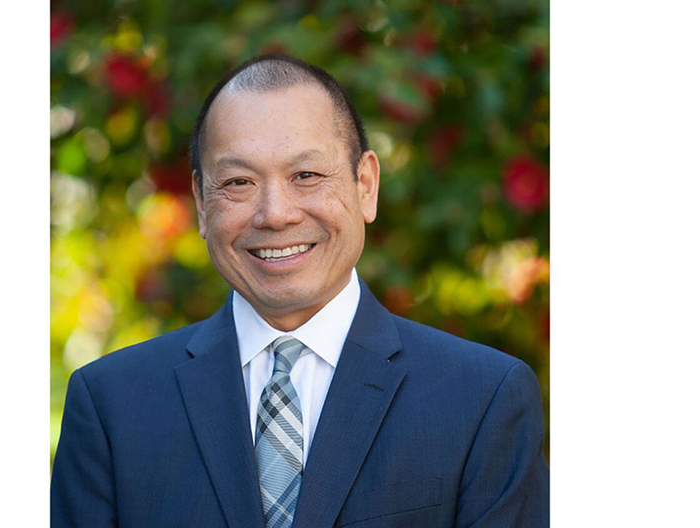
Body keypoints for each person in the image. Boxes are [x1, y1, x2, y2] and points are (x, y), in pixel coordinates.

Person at [51, 54, 549, 527]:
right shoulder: (111, 407)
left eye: (306, 176)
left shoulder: (482, 400)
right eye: (239, 183)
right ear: (202, 205)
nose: (276, 213)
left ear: (366, 185)